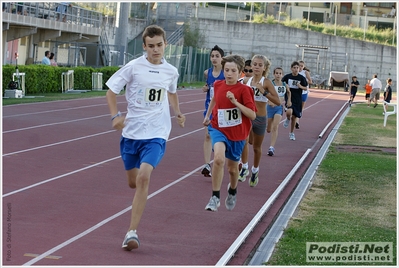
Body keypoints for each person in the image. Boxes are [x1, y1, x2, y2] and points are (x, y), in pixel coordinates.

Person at [105, 25, 185, 250]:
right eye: (151, 46)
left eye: (159, 45)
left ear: (165, 45)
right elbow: (111, 91)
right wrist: (115, 116)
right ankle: (133, 221)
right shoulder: (133, 67)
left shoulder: (171, 71)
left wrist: (177, 111)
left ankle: (131, 233)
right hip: (131, 134)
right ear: (144, 46)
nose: (156, 50)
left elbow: (171, 91)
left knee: (144, 177)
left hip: (157, 133)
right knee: (133, 181)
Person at [203, 54, 256, 211]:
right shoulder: (218, 85)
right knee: (218, 159)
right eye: (227, 70)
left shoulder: (245, 90)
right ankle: (215, 197)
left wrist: (235, 102)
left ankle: (232, 190)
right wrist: (207, 115)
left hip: (237, 134)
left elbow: (252, 115)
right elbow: (214, 99)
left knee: (233, 170)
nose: (229, 73)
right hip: (218, 128)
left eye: (233, 70)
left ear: (240, 72)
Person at [238, 55, 280, 187]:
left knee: (256, 147)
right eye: (254, 64)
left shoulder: (266, 82)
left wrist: (263, 92)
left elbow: (278, 101)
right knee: (244, 141)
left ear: (265, 68)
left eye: (259, 65)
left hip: (261, 118)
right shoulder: (247, 81)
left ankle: (255, 170)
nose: (256, 67)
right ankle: (244, 167)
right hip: (248, 116)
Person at [200, 45, 225, 178]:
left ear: (222, 58)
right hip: (209, 109)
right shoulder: (207, 72)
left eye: (217, 56)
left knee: (222, 138)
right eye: (212, 56)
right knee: (208, 135)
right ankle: (206, 165)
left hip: (223, 110)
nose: (214, 58)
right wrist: (205, 88)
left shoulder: (226, 73)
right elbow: (208, 85)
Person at [267, 67, 291, 156]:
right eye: (276, 73)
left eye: (280, 73)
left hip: (279, 107)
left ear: (282, 75)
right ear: (274, 74)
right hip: (269, 108)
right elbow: (265, 93)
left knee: (275, 127)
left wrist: (288, 101)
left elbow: (289, 92)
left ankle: (271, 147)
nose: (278, 75)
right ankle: (268, 127)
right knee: (269, 129)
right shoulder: (271, 84)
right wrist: (269, 101)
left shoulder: (284, 84)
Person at [282, 61, 308, 141]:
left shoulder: (301, 78)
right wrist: (285, 86)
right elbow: (281, 83)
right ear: (291, 68)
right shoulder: (287, 77)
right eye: (294, 68)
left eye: (297, 68)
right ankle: (287, 118)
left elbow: (306, 87)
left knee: (294, 117)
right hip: (289, 97)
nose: (296, 69)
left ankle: (291, 133)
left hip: (297, 99)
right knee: (289, 112)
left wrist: (300, 86)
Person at [296, 60, 312, 129]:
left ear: (303, 67)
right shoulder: (295, 72)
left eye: (302, 66)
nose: (300, 67)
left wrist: (304, 82)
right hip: (296, 93)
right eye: (299, 66)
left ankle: (297, 119)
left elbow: (310, 81)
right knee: (296, 107)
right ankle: (297, 122)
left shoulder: (305, 72)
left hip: (304, 93)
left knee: (301, 109)